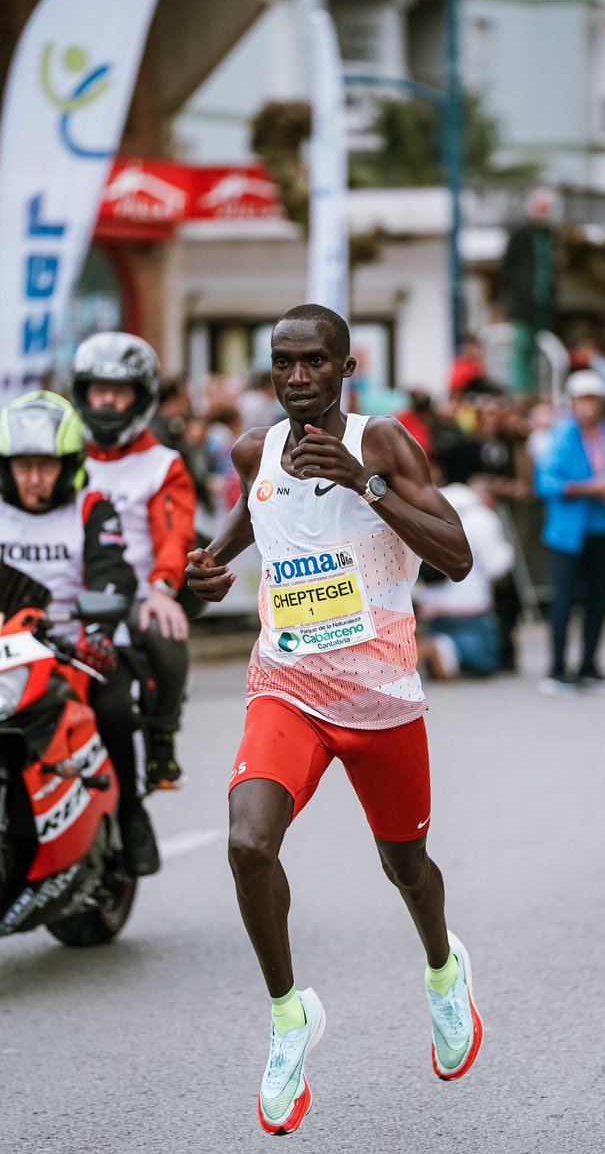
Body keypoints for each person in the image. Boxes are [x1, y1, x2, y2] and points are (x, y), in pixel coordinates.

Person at [186, 303, 484, 1136]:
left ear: (345, 368)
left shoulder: (382, 442)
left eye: (314, 362)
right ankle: (289, 1018)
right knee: (248, 843)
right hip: (289, 686)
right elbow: (254, 517)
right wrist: (211, 566)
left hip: (383, 698)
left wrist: (366, 484)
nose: (296, 378)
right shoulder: (255, 451)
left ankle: (442, 968)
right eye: (283, 363)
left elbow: (456, 557)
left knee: (407, 867)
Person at [0, 391, 160, 875]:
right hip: (5, 648)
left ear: (67, 464)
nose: (33, 478)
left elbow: (114, 572)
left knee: (114, 708)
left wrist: (96, 628)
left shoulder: (93, 507)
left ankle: (131, 813)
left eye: (45, 466)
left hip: (73, 647)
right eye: (23, 465)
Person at [71, 332, 197, 789]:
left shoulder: (162, 463)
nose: (106, 402)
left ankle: (162, 734)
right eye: (97, 390)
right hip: (69, 593)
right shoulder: (59, 458)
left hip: (141, 594)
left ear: (139, 398)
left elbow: (174, 531)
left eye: (119, 392)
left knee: (167, 628)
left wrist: (163, 588)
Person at [536, 370, 605, 696]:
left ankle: (589, 665)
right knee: (564, 601)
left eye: (594, 399)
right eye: (583, 400)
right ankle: (557, 670)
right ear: (574, 402)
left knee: (598, 601)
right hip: (569, 532)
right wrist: (591, 488)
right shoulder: (561, 436)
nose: (589, 407)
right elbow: (546, 483)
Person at [416, 478, 514, 679]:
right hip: (471, 607)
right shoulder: (481, 517)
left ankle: (440, 648)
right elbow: (495, 566)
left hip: (430, 606)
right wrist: (508, 552)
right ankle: (439, 648)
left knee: (454, 647)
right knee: (485, 662)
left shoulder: (425, 515)